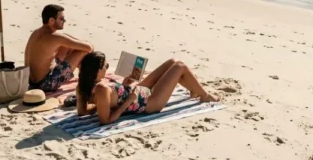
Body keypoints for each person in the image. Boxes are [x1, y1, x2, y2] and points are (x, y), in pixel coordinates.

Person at [76, 53, 219, 124]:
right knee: (180, 66)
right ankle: (204, 96)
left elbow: (82, 112)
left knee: (173, 62)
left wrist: (123, 88)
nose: (107, 68)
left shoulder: (82, 85)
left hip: (135, 93)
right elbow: (105, 121)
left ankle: (194, 90)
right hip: (149, 103)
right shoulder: (101, 88)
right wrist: (126, 102)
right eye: (106, 66)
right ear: (96, 70)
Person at [25, 4, 93, 92]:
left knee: (66, 45)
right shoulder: (55, 37)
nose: (64, 20)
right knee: (83, 51)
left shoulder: (36, 33)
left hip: (32, 82)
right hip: (45, 84)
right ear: (51, 20)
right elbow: (88, 47)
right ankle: (89, 78)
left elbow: (65, 38)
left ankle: (86, 73)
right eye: (61, 19)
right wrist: (86, 44)